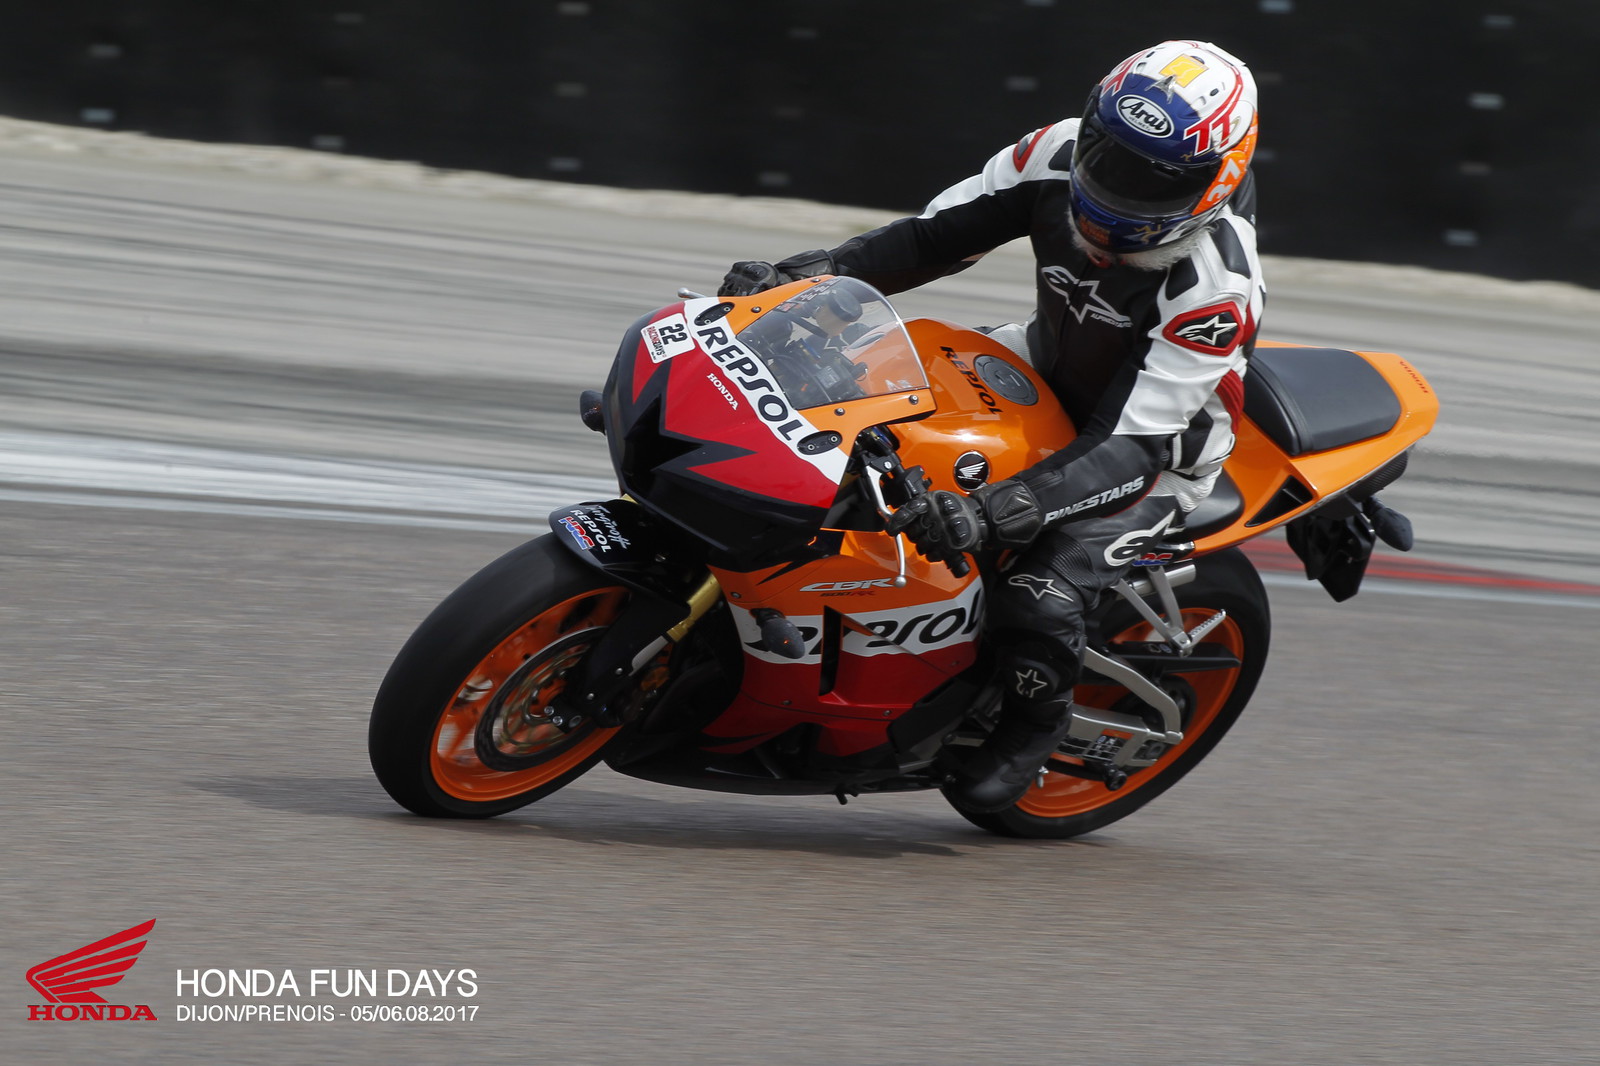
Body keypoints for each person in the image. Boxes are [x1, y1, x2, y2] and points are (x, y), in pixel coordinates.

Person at [717, 40, 1265, 813]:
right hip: (1035, 365)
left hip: (1154, 454)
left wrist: (994, 511)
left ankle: (1035, 722)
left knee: (1038, 591)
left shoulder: (1215, 289)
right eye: (1110, 157)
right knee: (848, 410)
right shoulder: (1054, 155)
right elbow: (930, 238)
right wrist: (803, 280)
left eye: (1155, 182)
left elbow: (1130, 445)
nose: (1118, 190)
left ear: (1220, 179)